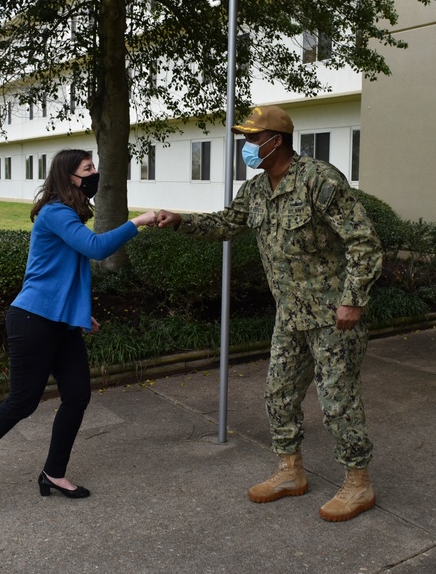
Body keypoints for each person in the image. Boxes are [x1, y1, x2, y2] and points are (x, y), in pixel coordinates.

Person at [156, 105, 382, 522]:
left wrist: (353, 299)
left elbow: (364, 242)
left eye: (252, 139)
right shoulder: (257, 189)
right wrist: (179, 221)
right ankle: (290, 472)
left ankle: (358, 482)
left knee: (337, 401)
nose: (247, 147)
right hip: (290, 315)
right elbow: (228, 222)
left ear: (275, 141)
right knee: (277, 395)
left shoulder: (319, 179)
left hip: (333, 316)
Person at [0, 148, 157, 513]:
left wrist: (78, 312)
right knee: (22, 402)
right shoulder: (55, 212)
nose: (95, 173)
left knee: (77, 395)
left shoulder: (68, 214)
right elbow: (95, 247)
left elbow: (66, 271)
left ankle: (54, 473)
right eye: (88, 169)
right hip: (32, 320)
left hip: (60, 322)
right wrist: (140, 221)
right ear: (68, 177)